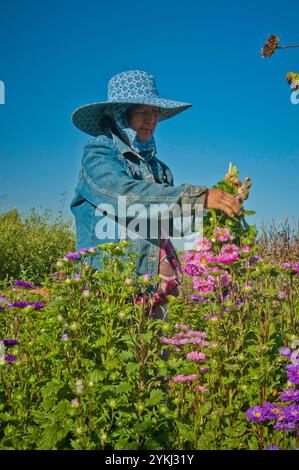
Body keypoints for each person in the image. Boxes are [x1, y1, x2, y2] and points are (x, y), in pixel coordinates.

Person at [71, 70, 242, 317]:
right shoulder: (98, 154)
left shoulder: (158, 168)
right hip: (110, 286)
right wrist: (197, 197)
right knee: (113, 351)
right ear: (120, 115)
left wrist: (221, 205)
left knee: (152, 352)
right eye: (143, 112)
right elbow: (125, 197)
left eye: (156, 112)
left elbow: (170, 223)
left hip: (151, 284)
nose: (151, 119)